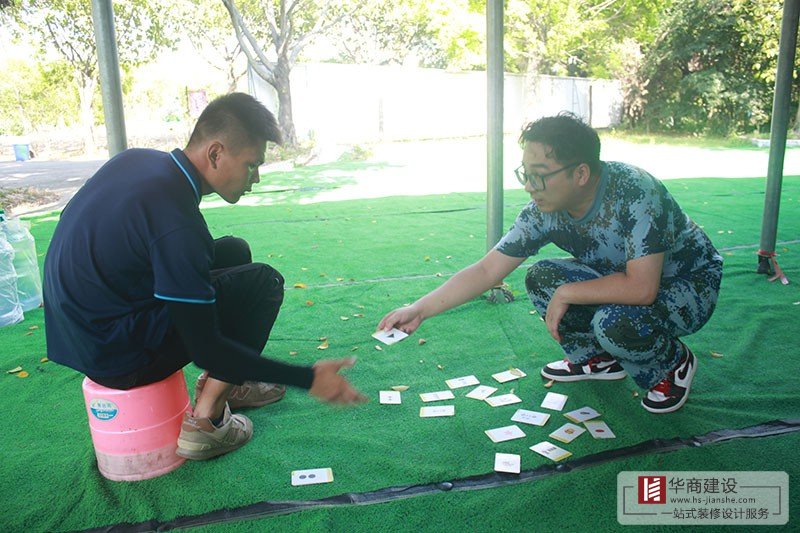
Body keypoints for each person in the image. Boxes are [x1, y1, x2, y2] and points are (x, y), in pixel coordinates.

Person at [44, 92, 365, 460]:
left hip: (80, 330)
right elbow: (205, 348)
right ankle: (207, 421)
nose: (256, 178)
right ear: (215, 154)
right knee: (263, 283)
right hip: (115, 357)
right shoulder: (179, 224)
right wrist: (308, 378)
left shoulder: (137, 161)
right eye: (251, 165)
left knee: (234, 251)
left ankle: (231, 382)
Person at [379, 112, 722, 414]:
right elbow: (487, 270)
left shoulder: (635, 191)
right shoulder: (543, 211)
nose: (529, 187)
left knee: (614, 321)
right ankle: (597, 360)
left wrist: (568, 292)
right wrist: (419, 309)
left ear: (581, 173)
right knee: (542, 277)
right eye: (525, 174)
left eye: (540, 175)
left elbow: (642, 288)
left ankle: (671, 365)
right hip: (618, 277)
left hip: (686, 284)